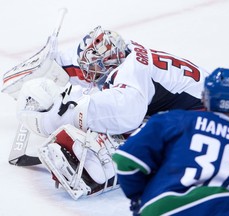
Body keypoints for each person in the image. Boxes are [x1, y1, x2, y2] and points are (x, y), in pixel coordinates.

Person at [15, 26, 210, 198]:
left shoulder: (131, 75)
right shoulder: (128, 52)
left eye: (93, 68)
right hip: (198, 102)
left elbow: (126, 112)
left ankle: (103, 169)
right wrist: (54, 64)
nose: (90, 74)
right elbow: (95, 67)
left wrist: (63, 112)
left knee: (120, 140)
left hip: (205, 122)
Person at [112, 68, 229, 216]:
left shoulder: (174, 120)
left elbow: (126, 160)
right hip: (227, 210)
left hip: (166, 208)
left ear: (204, 97)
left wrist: (139, 197)